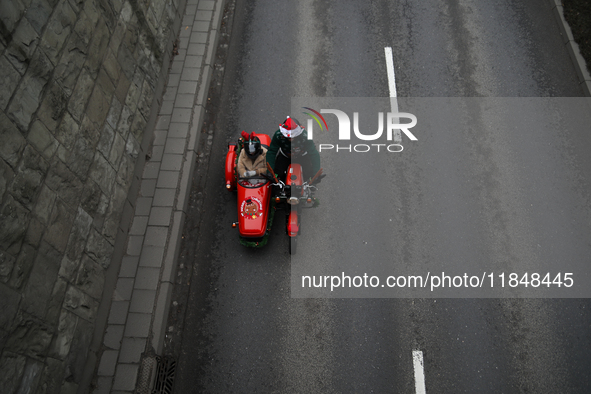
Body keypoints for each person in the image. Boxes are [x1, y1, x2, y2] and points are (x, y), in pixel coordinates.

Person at [266, 117, 320, 181]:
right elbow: (272, 152)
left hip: (303, 156)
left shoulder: (305, 136)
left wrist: (316, 173)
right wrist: (270, 172)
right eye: (287, 135)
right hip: (285, 156)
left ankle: (311, 184)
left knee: (309, 173)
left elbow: (313, 153)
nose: (290, 138)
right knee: (277, 174)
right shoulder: (278, 135)